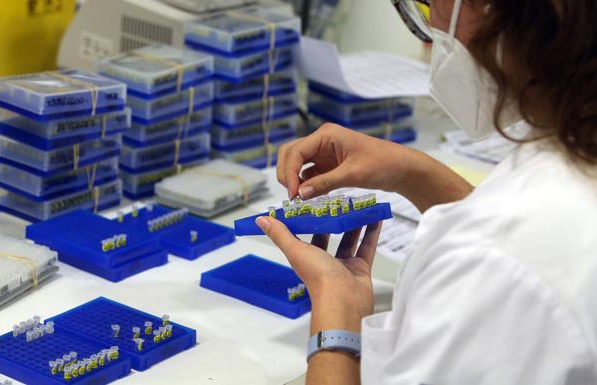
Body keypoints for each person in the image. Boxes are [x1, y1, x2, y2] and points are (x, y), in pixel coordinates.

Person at [254, 0, 597, 384]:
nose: (432, 22)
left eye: (431, 4)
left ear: (487, 10)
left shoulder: (493, 264)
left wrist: (337, 323)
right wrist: (413, 173)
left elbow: (512, 253)